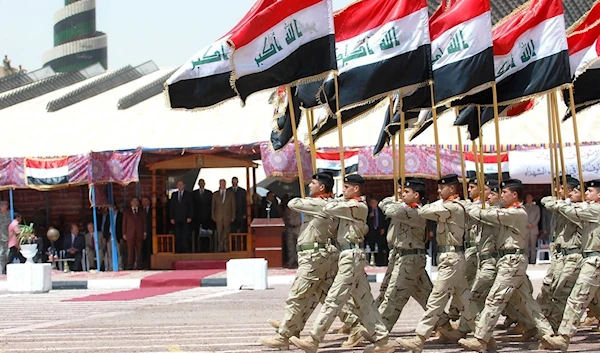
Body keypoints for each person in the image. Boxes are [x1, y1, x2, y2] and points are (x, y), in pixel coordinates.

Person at [290, 174, 395, 353]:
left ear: (356, 189)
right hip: (348, 254)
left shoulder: (356, 205)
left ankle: (314, 339)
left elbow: (329, 208)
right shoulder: (348, 204)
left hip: (351, 256)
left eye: (346, 187)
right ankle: (382, 340)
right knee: (365, 301)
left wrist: (322, 200)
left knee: (333, 298)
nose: (343, 190)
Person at [458, 179, 553, 352]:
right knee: (527, 302)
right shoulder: (508, 210)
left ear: (514, 195)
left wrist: (475, 205)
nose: (502, 196)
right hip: (508, 261)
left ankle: (481, 338)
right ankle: (550, 336)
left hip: (512, 261)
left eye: (505, 192)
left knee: (495, 299)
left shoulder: (517, 212)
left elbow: (486, 215)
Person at [258, 173, 339, 349]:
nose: (310, 185)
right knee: (323, 298)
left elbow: (292, 203)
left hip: (314, 258)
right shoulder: (327, 204)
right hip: (318, 256)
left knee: (297, 296)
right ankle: (357, 326)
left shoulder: (319, 204)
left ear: (322, 188)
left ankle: (284, 335)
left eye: (314, 183)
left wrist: (304, 198)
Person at [397, 174, 475, 352]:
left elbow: (424, 211)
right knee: (465, 299)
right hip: (449, 257)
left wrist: (435, 203)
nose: (439, 191)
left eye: (442, 188)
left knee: (436, 298)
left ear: (452, 189)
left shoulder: (453, 207)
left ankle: (419, 338)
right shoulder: (448, 205)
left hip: (452, 257)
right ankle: (483, 336)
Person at [542, 179, 600, 351]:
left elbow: (571, 211)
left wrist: (560, 203)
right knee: (585, 298)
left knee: (577, 298)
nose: (586, 194)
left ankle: (563, 336)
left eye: (590, 191)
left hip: (594, 259)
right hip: (589, 258)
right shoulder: (589, 207)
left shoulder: (596, 209)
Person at [376, 178, 431, 331]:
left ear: (417, 195)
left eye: (406, 192)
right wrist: (398, 195)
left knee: (394, 296)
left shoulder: (415, 211)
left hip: (410, 258)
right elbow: (383, 203)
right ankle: (445, 327)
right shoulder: (403, 206)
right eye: (402, 191)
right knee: (426, 296)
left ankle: (379, 333)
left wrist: (397, 199)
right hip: (400, 256)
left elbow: (388, 209)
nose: (402, 194)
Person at [540, 176, 584, 331]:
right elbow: (546, 200)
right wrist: (561, 201)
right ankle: (550, 325)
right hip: (560, 254)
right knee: (550, 288)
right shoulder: (561, 204)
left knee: (563, 292)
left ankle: (556, 328)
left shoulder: (580, 209)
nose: (557, 191)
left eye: (560, 188)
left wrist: (563, 203)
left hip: (575, 255)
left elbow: (564, 209)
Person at [122, 197, 147, 270]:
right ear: (131, 203)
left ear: (138, 203)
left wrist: (145, 232)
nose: (135, 202)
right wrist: (124, 233)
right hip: (130, 234)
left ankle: (139, 265)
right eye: (133, 201)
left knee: (139, 250)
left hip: (139, 233)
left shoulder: (142, 211)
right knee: (130, 251)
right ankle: (130, 265)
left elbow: (144, 223)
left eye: (136, 201)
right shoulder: (127, 212)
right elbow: (124, 223)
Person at [170, 180, 194, 253]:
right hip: (176, 218)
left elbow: (191, 206)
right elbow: (171, 207)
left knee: (185, 236)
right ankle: (178, 251)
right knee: (177, 236)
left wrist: (190, 217)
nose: (180, 186)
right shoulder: (174, 194)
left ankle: (185, 251)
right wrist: (171, 217)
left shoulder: (188, 194)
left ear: (184, 185)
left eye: (181, 184)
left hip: (185, 218)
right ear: (177, 186)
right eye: (178, 184)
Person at [212, 179, 235, 252]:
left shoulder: (230, 194)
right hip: (218, 217)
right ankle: (220, 246)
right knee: (219, 232)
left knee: (226, 231)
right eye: (221, 183)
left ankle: (226, 246)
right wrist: (213, 216)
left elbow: (233, 206)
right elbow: (213, 206)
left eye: (223, 183)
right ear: (219, 184)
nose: (222, 185)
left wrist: (233, 216)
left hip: (227, 216)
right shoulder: (215, 194)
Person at [281, 194, 301, 268]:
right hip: (290, 228)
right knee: (290, 246)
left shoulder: (300, 209)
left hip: (298, 227)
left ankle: (298, 261)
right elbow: (285, 218)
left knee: (299, 246)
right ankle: (291, 261)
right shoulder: (287, 209)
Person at [524, 193, 541, 264]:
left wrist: (533, 224)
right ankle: (526, 260)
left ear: (532, 198)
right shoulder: (523, 207)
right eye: (527, 197)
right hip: (525, 229)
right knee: (526, 247)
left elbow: (538, 217)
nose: (529, 199)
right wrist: (527, 224)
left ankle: (533, 260)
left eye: (530, 197)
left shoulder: (536, 207)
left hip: (533, 229)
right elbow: (522, 217)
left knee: (533, 246)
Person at [141, 196, 152, 269]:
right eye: (143, 201)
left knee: (149, 248)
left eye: (146, 201)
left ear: (149, 202)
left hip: (150, 232)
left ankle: (149, 264)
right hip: (141, 232)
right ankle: (143, 265)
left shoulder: (153, 210)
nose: (144, 202)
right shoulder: (140, 210)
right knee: (142, 249)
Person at [0, 201, 10, 274]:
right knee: (1, 254)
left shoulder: (10, 214)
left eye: (3, 205)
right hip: (1, 238)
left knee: (8, 254)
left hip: (9, 238)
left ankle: (8, 269)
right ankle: (3, 269)